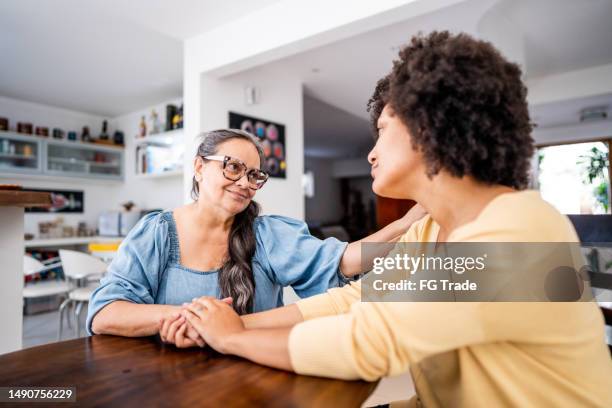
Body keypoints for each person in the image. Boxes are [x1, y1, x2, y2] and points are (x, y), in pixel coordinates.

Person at [179, 32, 612, 406]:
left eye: (384, 130)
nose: (371, 152)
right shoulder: (428, 230)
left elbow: (370, 340)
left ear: (432, 126)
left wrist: (232, 338)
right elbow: (353, 300)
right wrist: (229, 324)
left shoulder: (521, 229)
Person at [87, 129, 425, 348]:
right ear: (200, 167)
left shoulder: (266, 234)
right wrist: (193, 319)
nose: (245, 182)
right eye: (232, 167)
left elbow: (345, 261)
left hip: (257, 375)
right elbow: (105, 313)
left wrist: (405, 223)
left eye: (254, 174)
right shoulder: (156, 232)